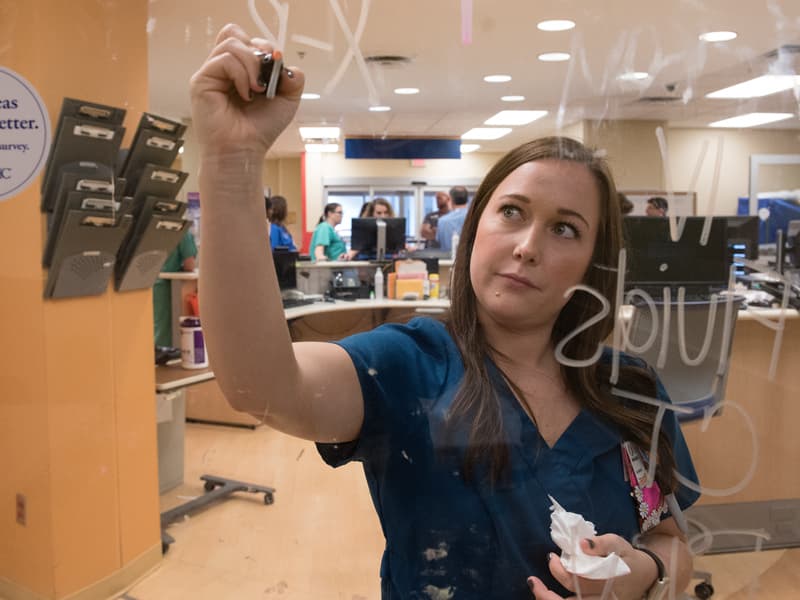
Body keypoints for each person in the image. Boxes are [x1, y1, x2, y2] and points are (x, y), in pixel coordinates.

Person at [190, 26, 699, 600]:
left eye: (564, 228)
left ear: (592, 264)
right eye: (512, 212)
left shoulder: (629, 389)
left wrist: (644, 572)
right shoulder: (411, 366)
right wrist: (232, 163)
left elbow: (672, 539)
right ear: (475, 229)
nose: (528, 245)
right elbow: (261, 385)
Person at [153, 229, 197, 348]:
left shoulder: (152, 228)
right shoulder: (182, 231)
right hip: (167, 287)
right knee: (163, 329)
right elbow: (190, 264)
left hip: (148, 282)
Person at [436, 185, 469, 251]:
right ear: (467, 199)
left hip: (446, 260)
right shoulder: (475, 218)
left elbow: (438, 240)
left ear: (451, 199)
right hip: (470, 260)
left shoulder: (442, 221)